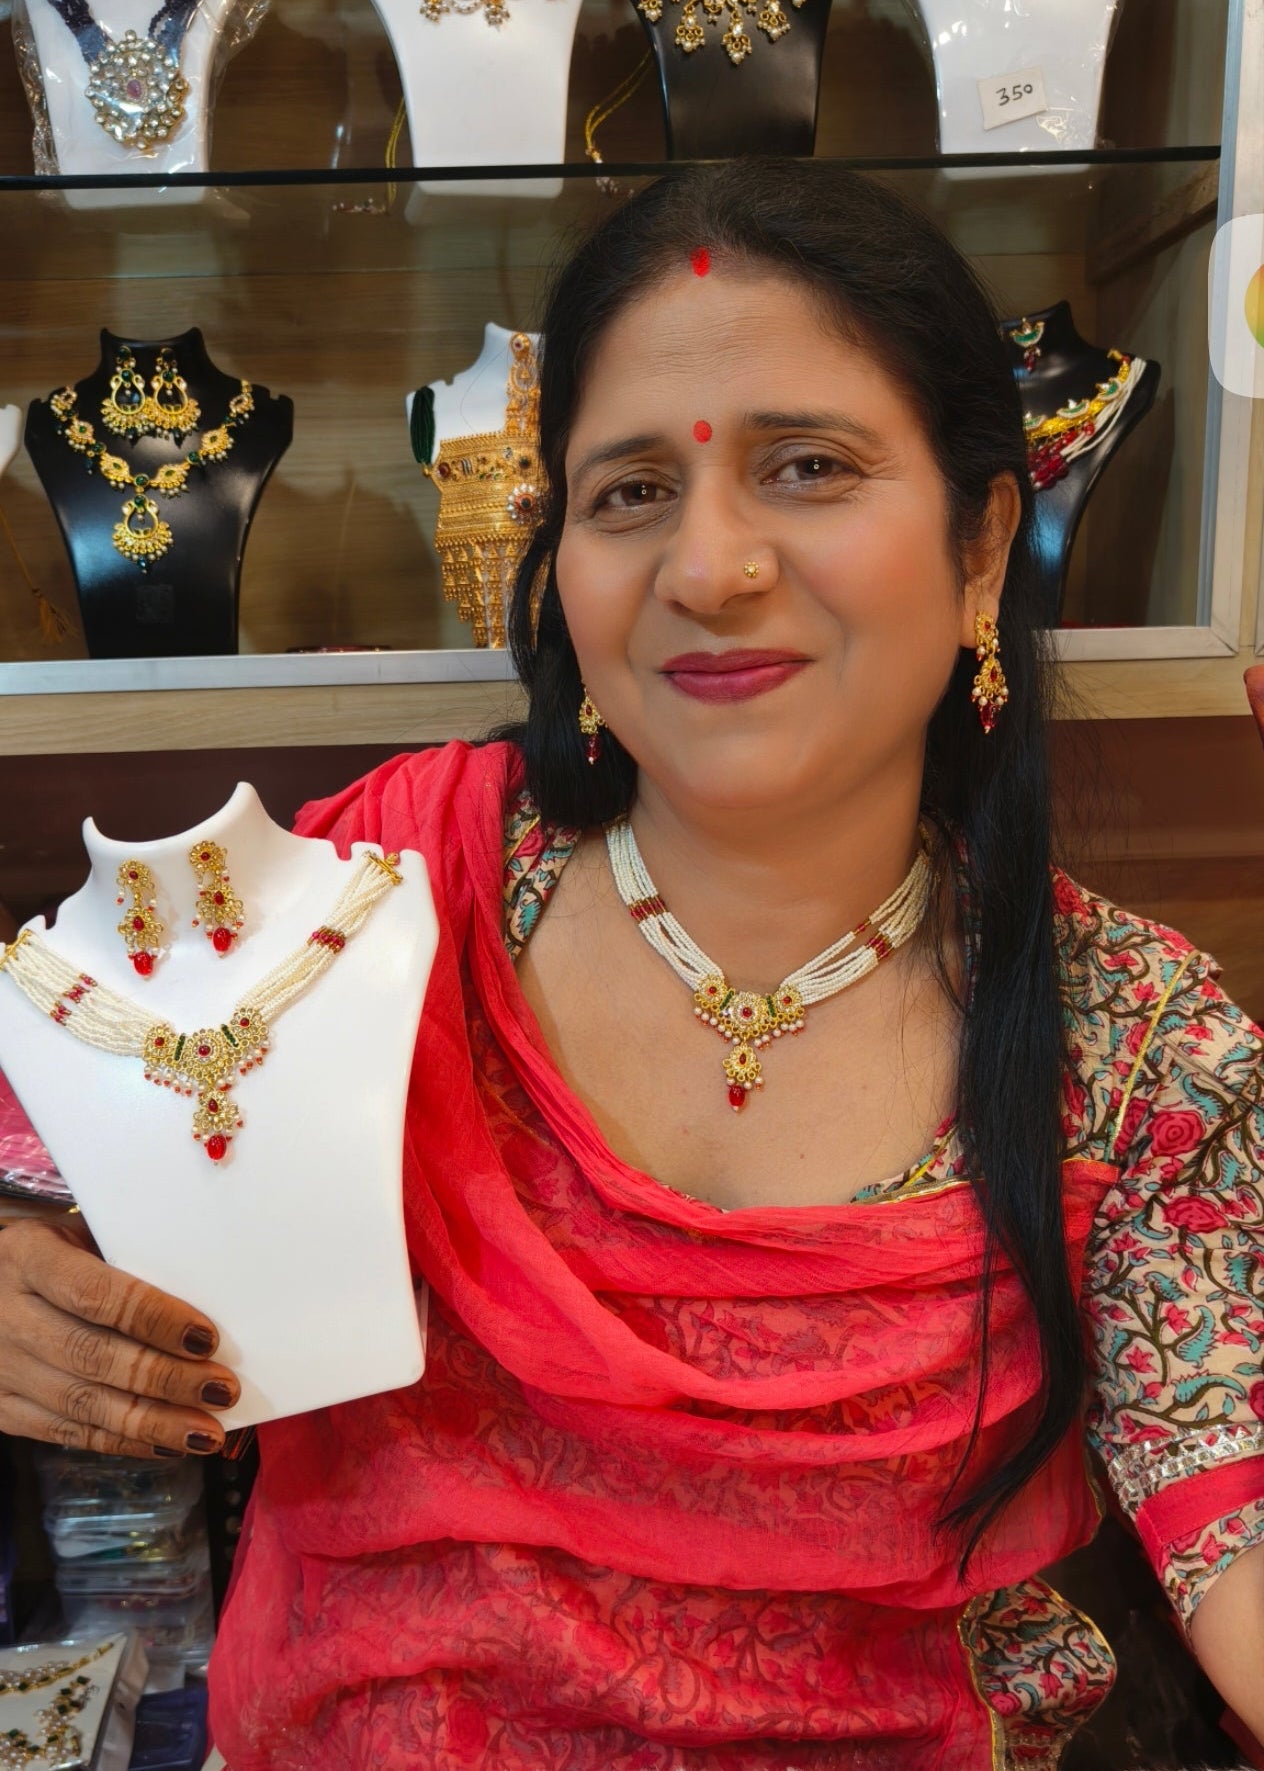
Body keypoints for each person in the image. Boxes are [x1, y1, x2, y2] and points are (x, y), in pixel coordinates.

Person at [1, 161, 1262, 1769]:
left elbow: (1233, 1509)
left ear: (980, 545)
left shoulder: (1135, 1041)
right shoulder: (375, 899)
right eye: (632, 492)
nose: (709, 568)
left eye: (808, 468)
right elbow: (52, 1106)